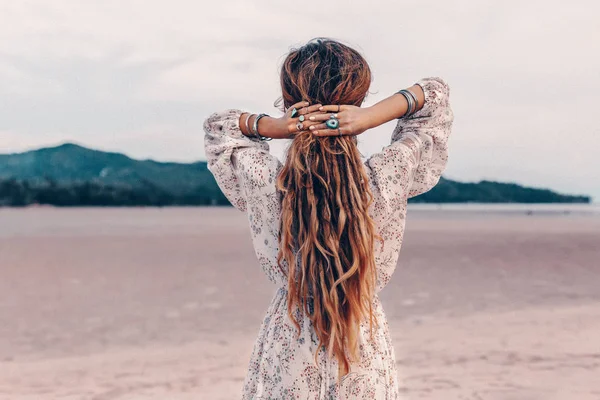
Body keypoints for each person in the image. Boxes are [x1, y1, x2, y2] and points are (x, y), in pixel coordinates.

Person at [203, 37, 454, 399]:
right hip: (360, 340)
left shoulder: (267, 183)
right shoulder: (388, 176)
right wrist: (369, 118)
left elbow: (219, 127)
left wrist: (274, 126)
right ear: (359, 98)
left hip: (288, 341)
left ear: (289, 103)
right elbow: (434, 95)